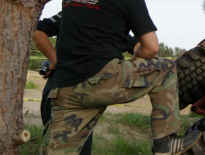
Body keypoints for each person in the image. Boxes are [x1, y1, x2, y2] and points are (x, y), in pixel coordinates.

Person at [40, 0, 201, 155]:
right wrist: (137, 60)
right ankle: (165, 144)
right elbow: (151, 47)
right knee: (165, 69)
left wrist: (55, 61)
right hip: (101, 82)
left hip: (66, 88)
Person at [33, 12, 137, 154]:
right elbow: (39, 31)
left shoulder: (111, 22)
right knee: (54, 145)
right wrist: (57, 61)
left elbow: (140, 48)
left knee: (81, 147)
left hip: (88, 93)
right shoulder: (73, 10)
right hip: (60, 88)